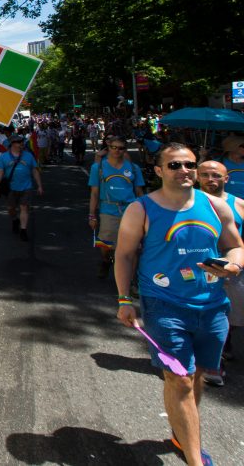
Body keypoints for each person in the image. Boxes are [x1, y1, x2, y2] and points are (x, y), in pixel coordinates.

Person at [114, 143, 244, 466]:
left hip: (212, 306)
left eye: (189, 164)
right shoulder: (140, 209)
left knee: (197, 374)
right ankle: (195, 458)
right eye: (174, 165)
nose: (184, 170)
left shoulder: (217, 207)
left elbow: (235, 246)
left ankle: (181, 432)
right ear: (158, 171)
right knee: (180, 378)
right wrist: (123, 299)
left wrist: (233, 266)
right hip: (163, 305)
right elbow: (125, 254)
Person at [195, 160, 244, 387]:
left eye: (216, 175)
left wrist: (236, 264)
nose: (210, 180)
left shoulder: (239, 205)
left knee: (230, 315)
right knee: (204, 315)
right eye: (204, 175)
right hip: (196, 270)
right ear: (197, 177)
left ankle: (224, 343)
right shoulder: (184, 203)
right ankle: (213, 362)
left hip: (232, 270)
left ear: (226, 179)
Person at [88, 135, 145, 278]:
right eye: (113, 147)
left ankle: (131, 281)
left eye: (121, 148)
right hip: (108, 210)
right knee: (106, 245)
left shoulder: (133, 168)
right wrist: (92, 215)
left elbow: (139, 192)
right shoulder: (98, 167)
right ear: (108, 148)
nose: (117, 151)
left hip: (131, 210)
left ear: (125, 150)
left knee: (133, 249)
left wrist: (145, 215)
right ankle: (106, 260)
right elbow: (94, 193)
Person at [0, 136, 44, 242]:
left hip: (26, 187)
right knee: (11, 208)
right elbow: (0, 172)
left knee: (24, 207)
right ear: (12, 144)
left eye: (22, 142)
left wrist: (39, 185)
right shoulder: (4, 157)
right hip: (10, 188)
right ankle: (15, 220)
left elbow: (35, 170)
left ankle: (23, 230)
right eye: (19, 142)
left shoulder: (29, 156)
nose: (21, 144)